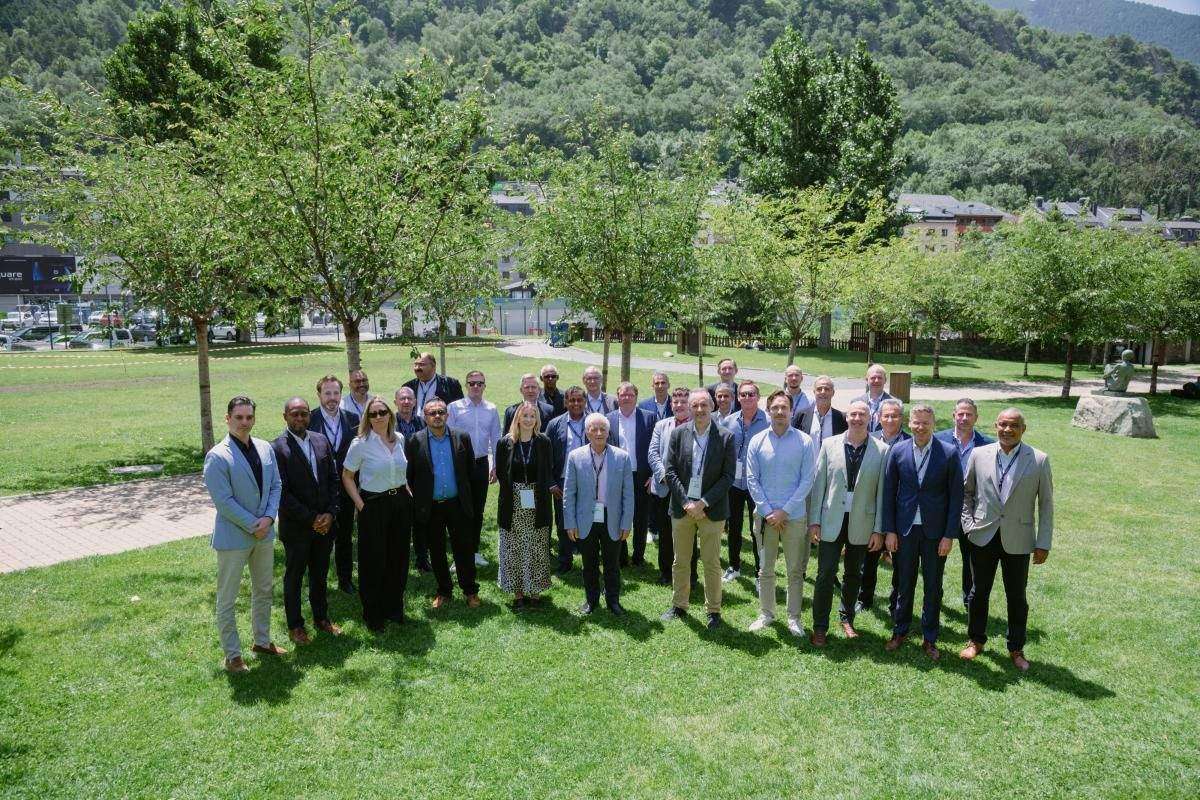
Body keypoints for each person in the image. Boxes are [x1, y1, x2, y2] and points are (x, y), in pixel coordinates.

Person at [959, 408, 1054, 672]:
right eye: (1003, 424)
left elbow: (1046, 505)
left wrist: (1043, 542)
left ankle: (1016, 648)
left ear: (1023, 429)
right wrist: (969, 526)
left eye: (1014, 425)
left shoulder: (1038, 459)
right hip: (983, 535)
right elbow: (966, 494)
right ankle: (976, 640)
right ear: (995, 426)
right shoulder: (979, 455)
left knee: (1017, 596)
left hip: (1019, 539)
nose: (1007, 430)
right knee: (978, 592)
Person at [203, 396, 284, 674]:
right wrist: (254, 524)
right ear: (227, 419)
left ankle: (262, 641)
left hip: (264, 533)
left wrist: (269, 518)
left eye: (249, 417)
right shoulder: (217, 456)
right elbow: (223, 501)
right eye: (239, 417)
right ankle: (232, 655)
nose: (244, 422)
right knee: (228, 598)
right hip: (234, 537)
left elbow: (276, 485)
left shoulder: (265, 448)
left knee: (264, 590)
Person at [881, 404, 962, 661]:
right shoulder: (898, 451)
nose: (920, 427)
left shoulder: (948, 453)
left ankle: (930, 638)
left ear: (933, 424)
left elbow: (956, 498)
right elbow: (888, 493)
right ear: (909, 423)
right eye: (916, 422)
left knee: (933, 587)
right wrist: (889, 531)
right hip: (904, 530)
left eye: (925, 423)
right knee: (903, 584)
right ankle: (900, 631)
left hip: (935, 533)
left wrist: (949, 535)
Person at [806, 400, 888, 645]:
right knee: (825, 573)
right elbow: (819, 485)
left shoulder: (882, 450)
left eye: (862, 414)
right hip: (831, 519)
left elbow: (882, 494)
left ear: (870, 418)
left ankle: (847, 617)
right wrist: (814, 521)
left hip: (862, 522)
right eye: (853, 414)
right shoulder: (829, 444)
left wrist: (878, 530)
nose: (857, 418)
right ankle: (820, 626)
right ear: (846, 417)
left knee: (853, 574)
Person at [661, 389, 736, 629]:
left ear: (712, 407)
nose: (700, 410)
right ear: (689, 408)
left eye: (704, 405)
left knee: (711, 562)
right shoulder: (678, 434)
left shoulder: (726, 437)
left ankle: (713, 610)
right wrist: (686, 502)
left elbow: (728, 476)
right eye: (695, 405)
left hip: (711, 510)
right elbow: (670, 471)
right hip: (682, 508)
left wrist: (703, 503)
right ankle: (679, 605)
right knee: (680, 560)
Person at [745, 390, 816, 637]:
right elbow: (752, 479)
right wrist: (768, 512)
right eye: (775, 408)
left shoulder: (804, 442)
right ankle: (766, 613)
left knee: (795, 570)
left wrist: (784, 512)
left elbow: (807, 480)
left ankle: (794, 618)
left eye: (784, 408)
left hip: (793, 517)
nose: (779, 412)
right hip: (765, 519)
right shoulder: (757, 441)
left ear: (791, 411)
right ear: (768, 411)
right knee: (765, 569)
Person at [273, 397, 343, 645]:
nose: (300, 418)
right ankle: (296, 625)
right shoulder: (277, 448)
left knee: (320, 574)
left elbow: (334, 480)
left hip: (325, 525)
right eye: (294, 414)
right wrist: (312, 518)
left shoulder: (321, 440)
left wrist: (331, 513)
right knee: (294, 577)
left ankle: (321, 618)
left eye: (304, 413)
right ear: (285, 417)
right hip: (297, 528)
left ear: (309, 416)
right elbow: (282, 493)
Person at [341, 397, 413, 631]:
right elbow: (347, 476)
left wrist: (406, 492)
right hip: (373, 504)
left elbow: (401, 470)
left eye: (383, 412)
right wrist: (361, 505)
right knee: (373, 560)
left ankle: (394, 608)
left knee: (398, 558)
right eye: (373, 414)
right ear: (367, 418)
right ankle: (373, 613)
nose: (379, 417)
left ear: (390, 414)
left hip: (400, 503)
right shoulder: (360, 443)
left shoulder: (399, 439)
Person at [406, 398, 479, 609]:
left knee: (464, 549)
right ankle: (444, 590)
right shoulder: (415, 441)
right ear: (425, 417)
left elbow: (470, 470)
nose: (437, 416)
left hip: (458, 504)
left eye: (441, 412)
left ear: (447, 414)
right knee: (437, 551)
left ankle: (470, 590)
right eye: (432, 413)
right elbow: (410, 476)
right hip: (431, 506)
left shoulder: (461, 437)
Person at [563, 413, 634, 616]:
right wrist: (570, 523)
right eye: (594, 429)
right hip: (585, 518)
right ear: (587, 433)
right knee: (589, 564)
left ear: (608, 432)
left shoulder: (622, 457)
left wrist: (626, 523)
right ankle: (591, 600)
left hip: (612, 518)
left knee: (612, 564)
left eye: (603, 429)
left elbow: (628, 494)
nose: (599, 433)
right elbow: (569, 493)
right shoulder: (575, 457)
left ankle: (613, 601)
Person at [934, 398, 994, 612]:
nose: (964, 418)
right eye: (960, 414)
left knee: (972, 559)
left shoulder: (988, 444)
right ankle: (934, 597)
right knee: (937, 557)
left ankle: (970, 601)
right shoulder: (937, 440)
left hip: (973, 510)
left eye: (969, 414)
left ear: (976, 417)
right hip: (942, 509)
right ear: (954, 416)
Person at [495, 401, 554, 610]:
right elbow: (501, 473)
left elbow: (548, 469)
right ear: (517, 418)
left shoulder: (544, 442)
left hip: (537, 501)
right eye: (525, 415)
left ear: (537, 419)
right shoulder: (505, 442)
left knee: (536, 546)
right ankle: (518, 592)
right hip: (513, 502)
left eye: (532, 416)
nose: (528, 420)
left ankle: (535, 591)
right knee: (514, 547)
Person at [309, 375, 362, 591]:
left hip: (346, 488)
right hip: (319, 491)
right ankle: (317, 583)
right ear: (319, 395)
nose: (332, 398)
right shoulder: (309, 419)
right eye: (327, 393)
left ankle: (345, 579)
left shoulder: (353, 419)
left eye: (336, 393)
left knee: (345, 536)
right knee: (319, 537)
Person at [857, 397, 910, 613]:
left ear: (901, 418)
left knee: (900, 561)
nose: (890, 420)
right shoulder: (868, 440)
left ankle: (895, 602)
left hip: (900, 510)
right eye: (886, 415)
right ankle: (864, 598)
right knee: (868, 557)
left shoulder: (910, 442)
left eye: (894, 416)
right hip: (872, 507)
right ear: (878, 417)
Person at [447, 370, 501, 567]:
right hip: (459, 465)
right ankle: (459, 555)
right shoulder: (454, 408)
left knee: (477, 509)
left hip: (481, 464)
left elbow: (496, 437)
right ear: (466, 385)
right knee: (460, 510)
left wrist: (496, 465)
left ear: (484, 386)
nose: (476, 386)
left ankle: (474, 551)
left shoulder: (491, 409)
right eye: (472, 383)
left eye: (479, 383)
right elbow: (448, 437)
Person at [648, 387, 699, 586]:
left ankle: (691, 575)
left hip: (688, 491)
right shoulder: (661, 425)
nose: (679, 405)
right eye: (675, 402)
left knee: (688, 534)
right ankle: (665, 573)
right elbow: (653, 453)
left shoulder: (699, 426)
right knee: (665, 533)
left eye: (683, 402)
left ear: (690, 404)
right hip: (664, 488)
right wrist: (664, 476)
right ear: (671, 404)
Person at [720, 380, 768, 583]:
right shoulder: (728, 422)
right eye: (743, 394)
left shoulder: (768, 422)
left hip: (757, 483)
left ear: (758, 397)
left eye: (751, 394)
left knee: (757, 529)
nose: (747, 397)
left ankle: (759, 572)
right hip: (733, 483)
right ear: (738, 398)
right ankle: (734, 566)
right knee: (733, 526)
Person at [606, 382, 656, 567]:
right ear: (617, 397)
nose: (626, 398)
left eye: (630, 394)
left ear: (636, 397)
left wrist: (653, 475)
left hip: (642, 476)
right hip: (617, 476)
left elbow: (655, 448)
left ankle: (638, 556)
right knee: (618, 515)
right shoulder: (608, 419)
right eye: (622, 394)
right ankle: (621, 556)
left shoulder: (649, 418)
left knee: (641, 518)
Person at [545, 386, 589, 574]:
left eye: (579, 400)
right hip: (563, 482)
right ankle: (565, 560)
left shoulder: (594, 422)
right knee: (564, 522)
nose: (576, 403)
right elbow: (545, 456)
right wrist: (551, 482)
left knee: (588, 521)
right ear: (565, 402)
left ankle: (589, 560)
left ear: (585, 402)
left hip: (589, 481)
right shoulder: (554, 424)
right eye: (572, 400)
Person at [793, 375, 846, 451]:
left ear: (833, 393)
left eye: (827, 389)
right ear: (814, 392)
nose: (823, 392)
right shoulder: (801, 416)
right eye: (819, 389)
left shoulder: (842, 418)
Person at [403, 351, 464, 417]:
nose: (417, 368)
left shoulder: (451, 384)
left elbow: (459, 410)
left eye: (422, 364)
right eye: (415, 364)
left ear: (433, 366)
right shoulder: (408, 387)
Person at [853, 363, 893, 434]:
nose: (876, 380)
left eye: (879, 378)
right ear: (867, 380)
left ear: (885, 380)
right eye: (873, 378)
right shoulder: (855, 403)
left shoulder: (894, 403)